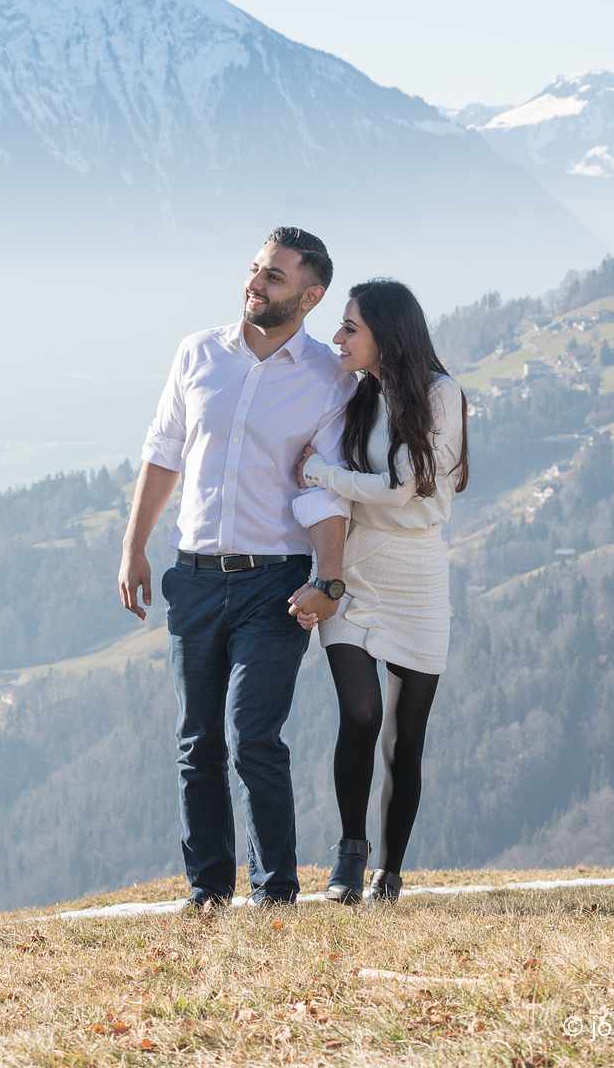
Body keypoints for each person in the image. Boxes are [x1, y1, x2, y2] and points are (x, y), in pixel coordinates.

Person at [117, 227, 353, 909]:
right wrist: (134, 547)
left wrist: (329, 579)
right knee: (197, 744)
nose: (255, 283)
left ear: (310, 295)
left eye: (274, 277)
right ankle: (208, 894)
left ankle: (275, 895)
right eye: (254, 269)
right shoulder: (198, 353)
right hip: (192, 576)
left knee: (254, 736)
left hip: (275, 581)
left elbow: (323, 487)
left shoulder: (325, 379)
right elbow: (163, 453)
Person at [286, 278, 468, 905]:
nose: (338, 338)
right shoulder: (357, 396)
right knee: (359, 714)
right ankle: (348, 856)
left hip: (416, 574)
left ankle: (391, 871)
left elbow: (402, 487)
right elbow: (358, 491)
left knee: (406, 730)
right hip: (356, 571)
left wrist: (321, 470)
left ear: (386, 335)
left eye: (350, 328)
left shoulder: (441, 395)